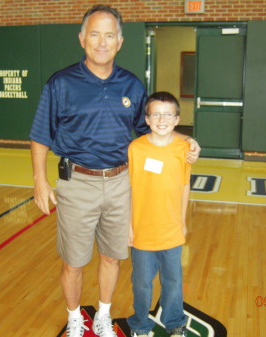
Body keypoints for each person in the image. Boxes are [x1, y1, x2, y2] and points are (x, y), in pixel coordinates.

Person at [29, 5, 200, 337]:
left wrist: (187, 139)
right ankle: (76, 317)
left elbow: (149, 128)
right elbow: (40, 135)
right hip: (76, 182)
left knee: (112, 257)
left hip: (122, 183)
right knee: (74, 262)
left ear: (120, 41)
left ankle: (104, 316)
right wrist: (39, 179)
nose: (102, 42)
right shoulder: (60, 83)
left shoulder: (132, 86)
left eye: (110, 35)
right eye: (95, 34)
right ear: (82, 39)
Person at [127, 92, 191, 337]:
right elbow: (129, 188)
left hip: (171, 230)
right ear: (147, 119)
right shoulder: (136, 148)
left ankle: (175, 322)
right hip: (142, 230)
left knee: (173, 281)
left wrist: (182, 221)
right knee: (142, 283)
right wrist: (129, 226)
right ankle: (140, 324)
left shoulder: (182, 149)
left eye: (168, 115)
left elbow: (185, 186)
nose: (161, 119)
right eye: (155, 114)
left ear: (177, 120)